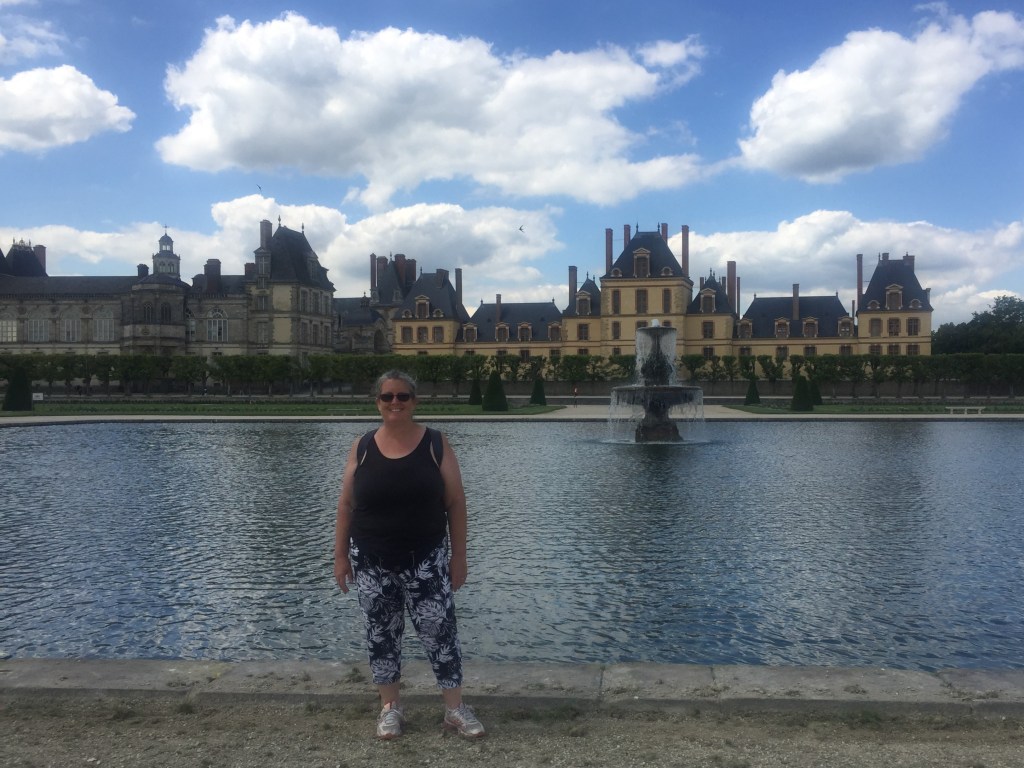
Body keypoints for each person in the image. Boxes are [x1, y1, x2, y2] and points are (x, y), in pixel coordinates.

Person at [334, 370, 485, 740]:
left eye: (403, 397)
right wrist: (340, 556)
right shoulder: (363, 446)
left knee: (441, 634)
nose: (395, 403)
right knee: (381, 636)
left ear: (414, 401)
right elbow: (345, 505)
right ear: (378, 403)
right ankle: (390, 709)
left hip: (426, 558)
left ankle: (454, 709)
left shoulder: (435, 443)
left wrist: (459, 557)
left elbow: (456, 503)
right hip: (371, 559)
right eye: (387, 397)